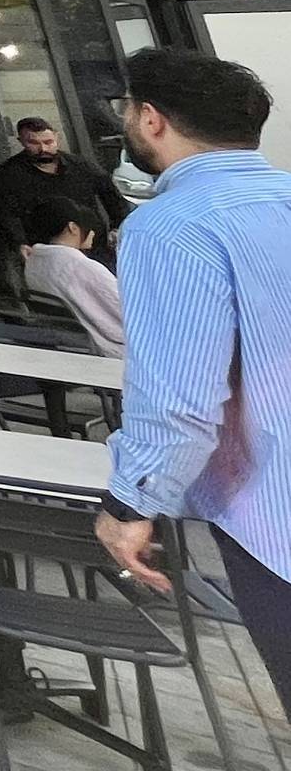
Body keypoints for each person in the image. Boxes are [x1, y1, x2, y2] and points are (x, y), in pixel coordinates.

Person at [94, 48, 291, 715]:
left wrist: (130, 504)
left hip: (276, 508)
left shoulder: (168, 226)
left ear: (151, 119)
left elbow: (179, 401)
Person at [0, 117, 131, 263]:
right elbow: (7, 214)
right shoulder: (9, 174)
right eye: (33, 143)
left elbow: (113, 198)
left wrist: (117, 227)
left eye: (48, 142)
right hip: (47, 253)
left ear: (57, 138)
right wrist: (20, 244)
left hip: (94, 248)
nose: (43, 149)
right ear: (21, 141)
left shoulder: (82, 166)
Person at [18, 197, 124, 356]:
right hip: (104, 349)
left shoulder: (34, 261)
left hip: (66, 342)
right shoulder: (80, 267)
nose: (93, 232)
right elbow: (126, 310)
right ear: (73, 228)